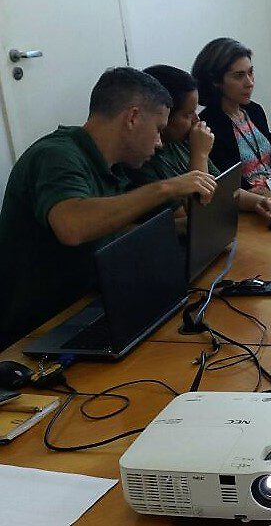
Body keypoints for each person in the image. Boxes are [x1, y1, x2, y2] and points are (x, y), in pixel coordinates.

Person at [0, 67, 217, 349]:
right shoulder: (55, 155)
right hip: (35, 332)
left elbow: (110, 230)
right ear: (133, 117)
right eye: (158, 129)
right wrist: (167, 187)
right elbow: (73, 227)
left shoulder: (112, 168)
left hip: (89, 307)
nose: (159, 142)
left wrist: (179, 226)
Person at [127, 65, 271, 221]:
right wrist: (200, 155)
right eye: (188, 114)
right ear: (165, 115)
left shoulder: (181, 141)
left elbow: (222, 189)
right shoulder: (144, 159)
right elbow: (199, 217)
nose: (197, 120)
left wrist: (258, 202)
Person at [193, 37, 271, 193]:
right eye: (239, 76)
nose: (250, 82)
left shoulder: (255, 111)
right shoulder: (209, 125)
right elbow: (227, 188)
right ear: (216, 81)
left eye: (250, 72)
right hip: (247, 205)